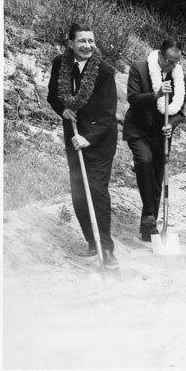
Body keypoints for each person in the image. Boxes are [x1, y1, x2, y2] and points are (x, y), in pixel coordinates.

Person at [47, 23, 119, 268]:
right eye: (82, 41)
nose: (87, 45)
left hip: (100, 140)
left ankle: (107, 249)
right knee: (79, 193)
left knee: (97, 190)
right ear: (71, 44)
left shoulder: (105, 71)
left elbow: (109, 113)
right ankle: (92, 240)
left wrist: (89, 136)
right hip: (73, 136)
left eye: (91, 40)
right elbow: (52, 95)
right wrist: (63, 109)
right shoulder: (60, 63)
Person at [123, 40, 186, 241]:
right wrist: (156, 95)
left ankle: (148, 229)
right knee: (144, 161)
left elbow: (181, 110)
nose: (172, 66)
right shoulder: (139, 67)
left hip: (162, 133)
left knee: (158, 177)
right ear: (160, 55)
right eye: (168, 61)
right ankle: (149, 213)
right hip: (138, 129)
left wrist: (172, 124)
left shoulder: (179, 75)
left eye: (176, 62)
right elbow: (133, 98)